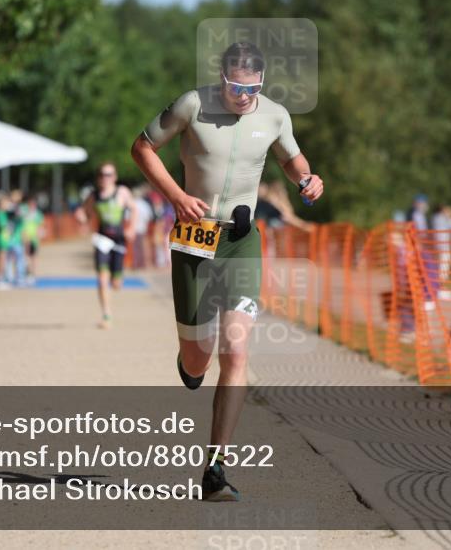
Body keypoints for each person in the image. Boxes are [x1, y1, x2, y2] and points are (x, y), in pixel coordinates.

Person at [131, 41, 323, 501]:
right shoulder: (192, 105)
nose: (243, 96)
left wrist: (306, 178)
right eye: (236, 87)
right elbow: (142, 148)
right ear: (222, 78)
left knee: (236, 351)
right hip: (194, 238)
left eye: (252, 89)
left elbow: (291, 158)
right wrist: (177, 197)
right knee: (198, 357)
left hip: (241, 241)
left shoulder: (274, 115)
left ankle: (215, 468)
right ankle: (189, 363)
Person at [75, 162, 135, 329]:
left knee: (116, 283)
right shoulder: (93, 196)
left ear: (114, 177)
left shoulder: (122, 192)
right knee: (102, 278)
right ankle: (106, 315)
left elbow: (134, 209)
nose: (105, 178)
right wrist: (81, 217)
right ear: (98, 177)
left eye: (108, 174)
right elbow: (85, 213)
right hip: (101, 239)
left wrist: (131, 228)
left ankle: (117, 278)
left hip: (119, 240)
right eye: (102, 174)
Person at [22, 195, 44, 283]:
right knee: (26, 256)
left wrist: (38, 236)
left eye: (33, 204)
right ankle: (27, 273)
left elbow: (40, 226)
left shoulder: (38, 214)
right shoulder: (24, 212)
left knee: (33, 257)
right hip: (25, 237)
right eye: (30, 204)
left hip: (34, 239)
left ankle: (33, 275)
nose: (32, 205)